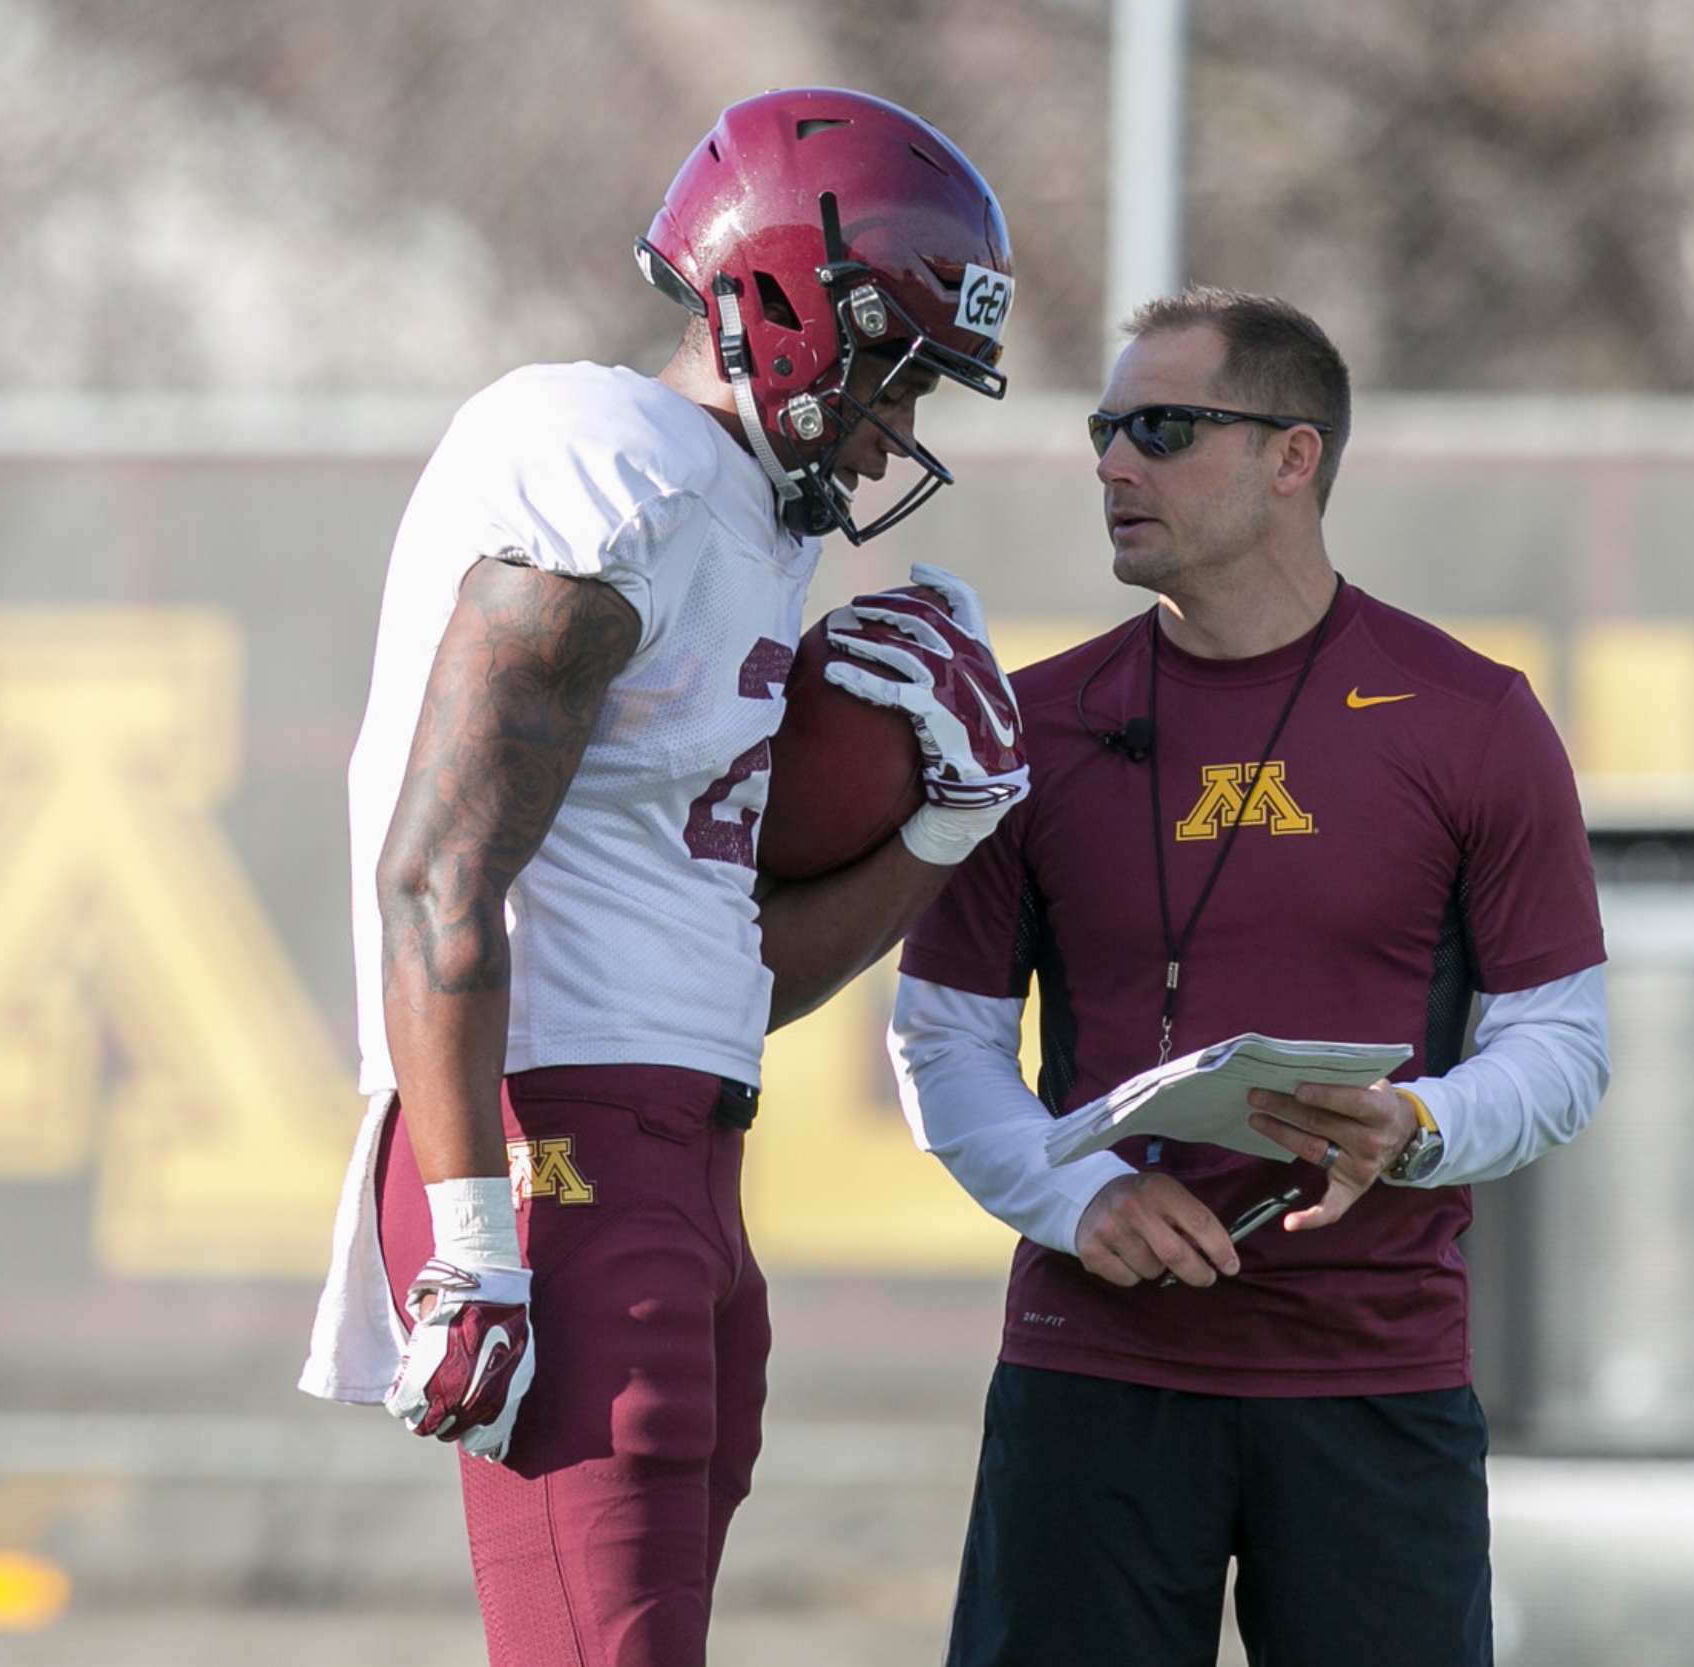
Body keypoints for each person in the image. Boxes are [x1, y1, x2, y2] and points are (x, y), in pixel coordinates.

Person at [297, 88, 1030, 1667]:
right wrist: (478, 1243)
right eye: (897, 373)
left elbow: (728, 977)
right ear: (782, 304)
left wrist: (939, 830)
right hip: (551, 1145)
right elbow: (433, 876)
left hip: (685, 1149)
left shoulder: (750, 520)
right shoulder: (605, 460)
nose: (904, 428)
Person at [890, 287, 1612, 1667]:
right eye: (1105, 428)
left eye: (1162, 428)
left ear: (1295, 457)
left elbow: (1562, 1042)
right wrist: (1077, 1194)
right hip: (1092, 1369)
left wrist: (1422, 1127)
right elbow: (942, 1042)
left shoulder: (1473, 719)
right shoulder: (1028, 722)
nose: (1113, 463)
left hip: (1375, 1375)